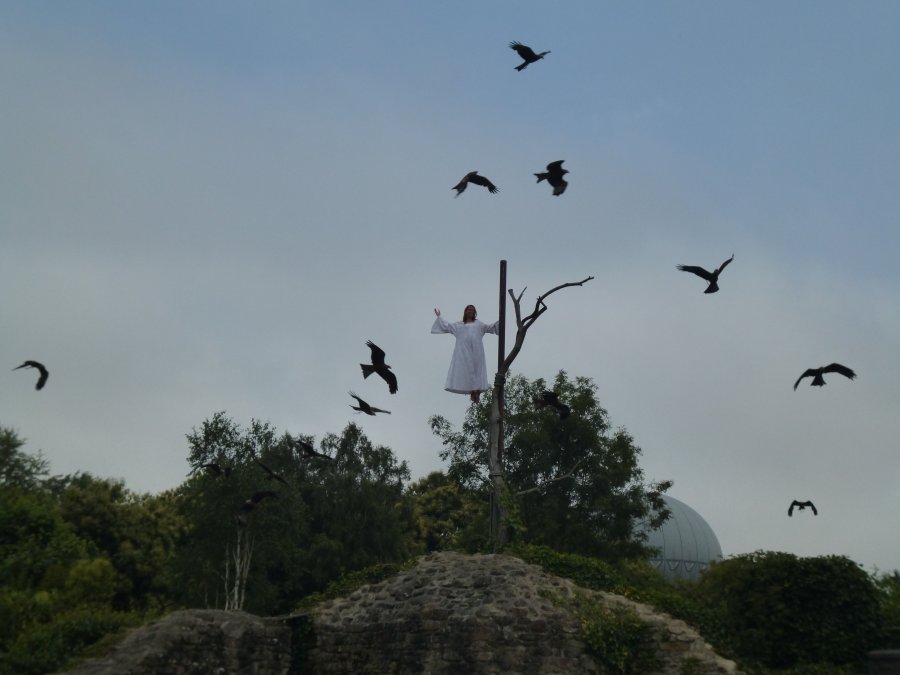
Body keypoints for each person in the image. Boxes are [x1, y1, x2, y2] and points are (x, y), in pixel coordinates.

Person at [431, 305, 499, 403]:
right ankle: (472, 391)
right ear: (465, 312)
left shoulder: (479, 324)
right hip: (464, 352)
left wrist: (500, 321)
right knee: (467, 370)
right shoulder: (459, 325)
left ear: (474, 312)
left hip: (477, 351)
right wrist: (439, 317)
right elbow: (447, 326)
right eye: (469, 309)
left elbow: (490, 327)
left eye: (472, 310)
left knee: (477, 370)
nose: (470, 311)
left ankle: (477, 392)